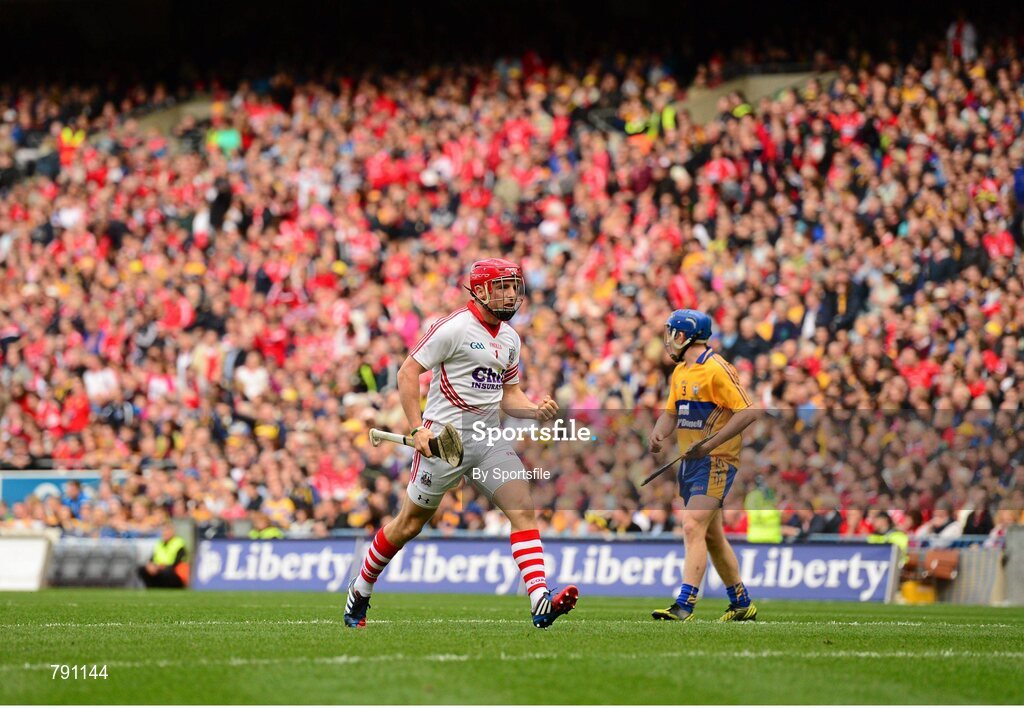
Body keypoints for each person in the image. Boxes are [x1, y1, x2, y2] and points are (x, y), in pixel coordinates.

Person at [344, 258, 579, 629]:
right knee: (407, 525)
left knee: (522, 509)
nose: (511, 294)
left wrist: (536, 411)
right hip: (444, 441)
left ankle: (539, 600)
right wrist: (417, 427)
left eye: (513, 286)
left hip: (488, 438)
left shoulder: (510, 338)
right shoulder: (452, 328)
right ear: (481, 291)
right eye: (502, 287)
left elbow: (509, 395)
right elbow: (408, 371)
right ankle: (360, 589)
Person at [648, 309, 761, 622]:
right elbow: (672, 413)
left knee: (691, 524)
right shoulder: (681, 372)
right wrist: (659, 431)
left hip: (716, 460)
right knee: (711, 536)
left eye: (672, 333)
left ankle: (685, 604)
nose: (668, 340)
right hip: (690, 462)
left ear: (684, 336)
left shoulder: (716, 368)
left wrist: (710, 444)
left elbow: (748, 412)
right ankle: (741, 603)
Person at [138, 523, 188, 589]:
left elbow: (178, 561)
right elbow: (152, 558)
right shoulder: (159, 543)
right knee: (142, 569)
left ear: (172, 532)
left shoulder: (179, 543)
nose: (165, 533)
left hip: (173, 571)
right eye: (164, 531)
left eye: (167, 531)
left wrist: (162, 567)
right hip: (158, 569)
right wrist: (151, 566)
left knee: (166, 572)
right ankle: (151, 588)